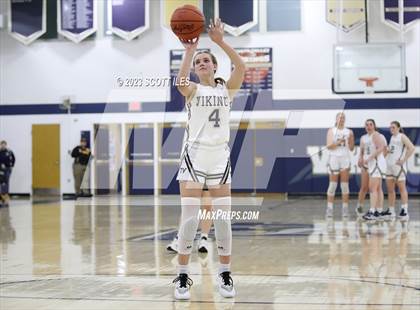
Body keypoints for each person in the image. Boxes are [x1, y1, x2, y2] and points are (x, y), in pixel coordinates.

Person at [172, 18, 245, 300]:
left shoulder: (226, 90)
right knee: (190, 220)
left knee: (223, 221)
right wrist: (189, 51)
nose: (202, 63)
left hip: (219, 159)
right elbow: (179, 83)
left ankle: (225, 273)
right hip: (194, 157)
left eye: (206, 60)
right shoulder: (193, 89)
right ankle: (181, 277)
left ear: (215, 66)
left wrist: (219, 41)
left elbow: (241, 68)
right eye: (198, 61)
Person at [325, 112, 354, 218]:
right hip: (334, 158)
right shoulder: (331, 131)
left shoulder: (349, 131)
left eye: (343, 118)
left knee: (344, 186)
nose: (341, 119)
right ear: (336, 119)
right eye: (340, 117)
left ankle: (345, 209)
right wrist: (338, 142)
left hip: (345, 158)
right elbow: (329, 146)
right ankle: (329, 209)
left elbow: (351, 148)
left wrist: (350, 140)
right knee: (332, 185)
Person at [167, 188, 212, 253]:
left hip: (210, 178)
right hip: (194, 178)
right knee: (189, 205)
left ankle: (204, 239)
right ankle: (179, 239)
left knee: (207, 206)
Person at [385, 121, 415, 221]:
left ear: (398, 128)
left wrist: (403, 160)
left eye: (393, 127)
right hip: (390, 166)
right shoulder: (392, 137)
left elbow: (411, 147)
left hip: (399, 167)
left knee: (402, 189)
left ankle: (404, 210)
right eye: (390, 127)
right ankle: (391, 210)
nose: (391, 129)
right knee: (390, 190)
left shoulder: (402, 136)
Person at [359, 119, 387, 221]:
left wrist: (370, 158)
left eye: (371, 124)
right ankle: (378, 211)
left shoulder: (376, 135)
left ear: (374, 126)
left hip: (376, 163)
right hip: (372, 164)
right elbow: (362, 151)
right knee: (378, 188)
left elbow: (381, 148)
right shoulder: (364, 138)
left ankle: (372, 211)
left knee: (372, 188)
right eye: (367, 125)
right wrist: (361, 159)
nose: (368, 126)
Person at [0, 141, 16, 206]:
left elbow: (13, 158)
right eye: (2, 144)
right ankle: (2, 196)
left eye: (4, 144)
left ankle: (6, 196)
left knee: (7, 181)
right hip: (1, 169)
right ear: (1, 145)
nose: (3, 146)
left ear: (6, 145)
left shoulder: (9, 151)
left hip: (8, 169)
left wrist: (12, 166)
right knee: (2, 182)